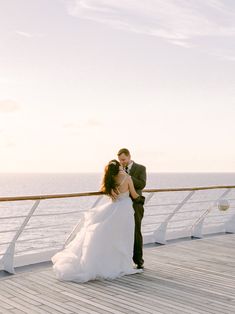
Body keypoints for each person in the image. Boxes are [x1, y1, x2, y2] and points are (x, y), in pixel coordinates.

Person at [51, 159, 144, 283]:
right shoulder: (127, 178)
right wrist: (142, 199)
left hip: (113, 208)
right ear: (119, 167)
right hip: (125, 210)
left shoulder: (109, 179)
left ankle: (110, 264)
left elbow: (109, 193)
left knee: (112, 238)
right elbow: (134, 194)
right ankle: (122, 265)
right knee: (124, 237)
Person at [117, 148, 146, 269]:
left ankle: (138, 260)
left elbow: (142, 184)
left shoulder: (141, 168)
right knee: (121, 232)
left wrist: (127, 177)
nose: (122, 162)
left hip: (135, 204)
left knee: (136, 231)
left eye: (123, 159)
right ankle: (123, 260)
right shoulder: (117, 169)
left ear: (129, 157)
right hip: (121, 205)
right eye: (120, 160)